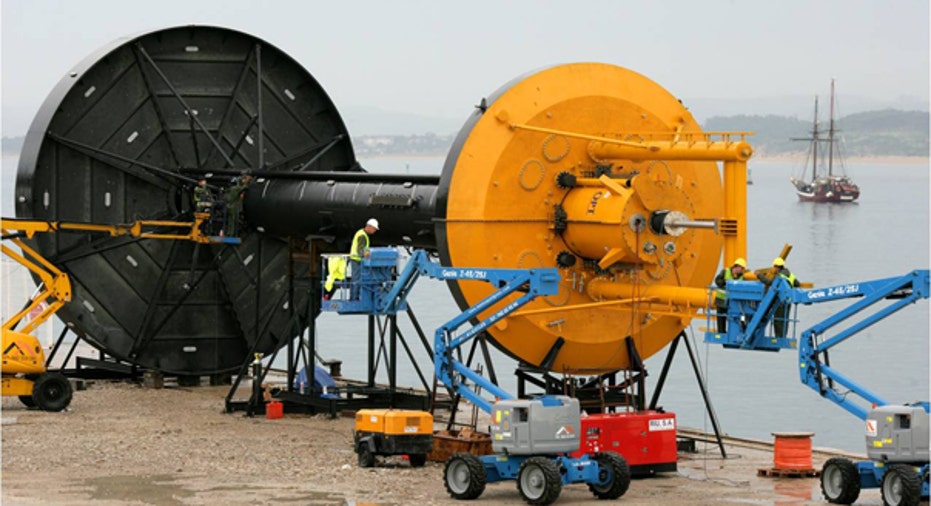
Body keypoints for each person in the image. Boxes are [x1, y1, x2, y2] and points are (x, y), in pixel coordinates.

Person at [756, 257, 801, 338]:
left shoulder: (779, 276)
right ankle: (783, 336)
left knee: (778, 319)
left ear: (777, 267)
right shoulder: (790, 274)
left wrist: (759, 275)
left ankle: (779, 337)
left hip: (780, 301)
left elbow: (769, 282)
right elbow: (797, 284)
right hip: (788, 300)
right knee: (785, 319)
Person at [713, 257, 747, 333]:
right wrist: (726, 282)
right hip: (721, 300)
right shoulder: (725, 271)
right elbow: (717, 281)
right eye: (741, 269)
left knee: (741, 315)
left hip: (733, 301)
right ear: (737, 267)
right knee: (721, 318)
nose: (742, 271)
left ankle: (741, 329)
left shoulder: (741, 276)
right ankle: (722, 332)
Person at [348, 218, 379, 299]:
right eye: (374, 229)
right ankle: (354, 297)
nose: (374, 231)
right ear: (369, 227)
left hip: (356, 259)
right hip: (356, 260)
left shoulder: (362, 233)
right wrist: (368, 256)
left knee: (356, 279)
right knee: (356, 279)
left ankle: (354, 297)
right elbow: (360, 250)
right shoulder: (362, 236)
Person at [223, 172, 253, 237]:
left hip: (229, 207)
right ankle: (231, 234)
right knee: (234, 221)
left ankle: (228, 233)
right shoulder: (235, 189)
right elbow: (245, 187)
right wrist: (248, 181)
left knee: (230, 221)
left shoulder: (229, 190)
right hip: (234, 208)